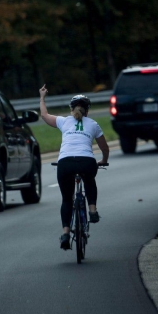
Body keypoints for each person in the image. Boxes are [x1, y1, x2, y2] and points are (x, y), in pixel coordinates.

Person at [39, 84, 109, 250]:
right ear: (88, 110)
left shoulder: (64, 121)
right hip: (87, 161)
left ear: (72, 109)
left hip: (65, 163)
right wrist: (103, 160)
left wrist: (42, 97)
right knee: (90, 180)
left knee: (66, 199)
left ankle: (65, 233)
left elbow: (44, 115)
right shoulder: (93, 124)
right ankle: (92, 210)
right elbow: (104, 148)